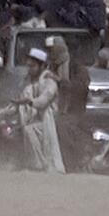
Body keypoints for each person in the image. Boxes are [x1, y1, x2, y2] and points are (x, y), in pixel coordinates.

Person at [46, 36, 92, 171]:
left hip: (73, 110)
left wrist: (61, 82)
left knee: (62, 127)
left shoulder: (77, 67)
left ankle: (71, 163)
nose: (52, 53)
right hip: (52, 107)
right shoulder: (50, 66)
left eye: (54, 49)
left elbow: (80, 88)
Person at [17, 48, 65, 173]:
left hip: (50, 121)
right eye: (28, 66)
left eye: (32, 66)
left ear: (42, 66)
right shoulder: (30, 84)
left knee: (29, 130)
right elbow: (22, 99)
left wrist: (30, 102)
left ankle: (40, 165)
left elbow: (44, 100)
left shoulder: (50, 82)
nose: (29, 69)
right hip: (35, 119)